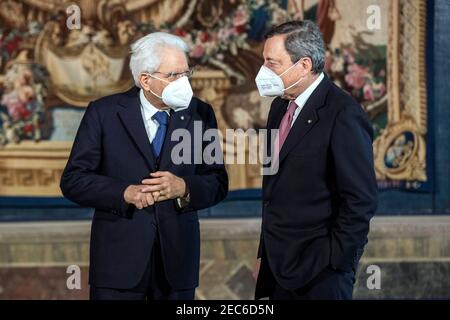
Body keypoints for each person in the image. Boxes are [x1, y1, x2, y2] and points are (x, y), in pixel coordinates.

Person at [60, 32, 228, 300]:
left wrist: (184, 187)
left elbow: (218, 182)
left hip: (177, 265)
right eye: (174, 75)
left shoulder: (200, 113)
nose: (184, 82)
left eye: (187, 73)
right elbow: (74, 180)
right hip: (117, 266)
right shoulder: (104, 113)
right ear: (145, 80)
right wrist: (123, 193)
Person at [253, 20, 378, 300]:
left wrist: (336, 262)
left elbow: (360, 199)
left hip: (321, 273)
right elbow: (274, 192)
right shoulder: (279, 107)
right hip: (276, 268)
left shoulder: (343, 113)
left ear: (304, 65)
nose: (263, 71)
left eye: (272, 63)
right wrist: (264, 256)